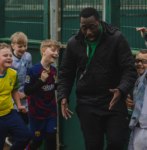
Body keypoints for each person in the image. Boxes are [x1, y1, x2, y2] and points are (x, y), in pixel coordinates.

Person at [57, 7, 137, 150]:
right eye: (84, 28)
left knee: (116, 142)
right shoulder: (74, 43)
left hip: (113, 101)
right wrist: (63, 96)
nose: (88, 32)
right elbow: (65, 73)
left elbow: (129, 69)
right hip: (87, 103)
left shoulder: (117, 38)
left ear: (99, 22)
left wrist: (121, 89)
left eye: (92, 27)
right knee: (93, 146)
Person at [24, 39, 60, 150]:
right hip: (37, 114)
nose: (56, 53)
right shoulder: (33, 70)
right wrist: (41, 82)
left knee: (51, 140)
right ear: (43, 51)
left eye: (58, 52)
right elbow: (27, 91)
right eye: (53, 50)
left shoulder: (53, 70)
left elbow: (52, 87)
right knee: (37, 143)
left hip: (51, 112)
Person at [0, 43, 31, 150]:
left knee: (25, 136)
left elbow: (14, 90)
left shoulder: (13, 73)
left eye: (10, 55)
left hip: (9, 112)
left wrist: (19, 105)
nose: (9, 58)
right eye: (5, 55)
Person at [5, 32, 32, 146]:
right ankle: (11, 138)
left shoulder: (28, 56)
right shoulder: (10, 60)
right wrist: (18, 93)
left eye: (25, 46)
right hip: (13, 92)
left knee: (26, 117)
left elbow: (29, 73)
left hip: (25, 92)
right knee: (17, 116)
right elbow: (7, 80)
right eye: (20, 46)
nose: (23, 49)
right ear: (13, 46)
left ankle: (14, 139)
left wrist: (28, 90)